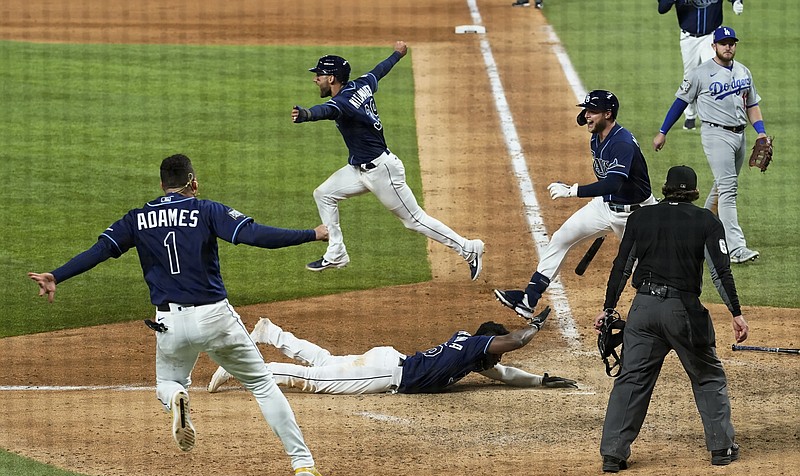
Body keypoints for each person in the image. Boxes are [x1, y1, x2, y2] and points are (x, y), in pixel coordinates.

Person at [28, 154, 329, 476]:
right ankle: (303, 464)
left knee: (167, 383)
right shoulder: (206, 210)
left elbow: (100, 250)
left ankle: (175, 399)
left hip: (168, 322)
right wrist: (311, 234)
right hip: (215, 318)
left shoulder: (137, 218)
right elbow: (255, 236)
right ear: (193, 182)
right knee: (261, 385)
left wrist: (57, 276)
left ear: (161, 184)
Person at [594, 165, 748, 473]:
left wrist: (608, 307)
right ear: (693, 192)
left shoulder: (641, 218)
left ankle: (613, 454)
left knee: (632, 379)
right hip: (683, 311)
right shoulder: (706, 221)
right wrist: (736, 313)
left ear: (665, 189)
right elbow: (721, 272)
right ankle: (721, 448)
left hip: (644, 309)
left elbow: (622, 266)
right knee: (707, 375)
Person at [292, 41, 485, 280]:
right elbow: (379, 70)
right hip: (359, 169)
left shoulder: (341, 103)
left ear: (331, 79)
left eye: (319, 75)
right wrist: (397, 54)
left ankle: (468, 249)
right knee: (323, 194)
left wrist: (306, 114)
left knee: (415, 220)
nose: (316, 79)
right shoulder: (361, 85)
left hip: (383, 172)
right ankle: (336, 252)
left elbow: (326, 111)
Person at [494, 90, 656, 320]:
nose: (586, 116)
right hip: (606, 206)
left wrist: (574, 191)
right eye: (586, 110)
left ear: (608, 114)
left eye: (592, 111)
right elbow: (609, 186)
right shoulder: (596, 135)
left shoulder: (622, 142)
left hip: (636, 215)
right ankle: (528, 299)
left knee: (646, 270)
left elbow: (613, 183)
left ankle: (659, 314)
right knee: (562, 237)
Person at [207, 307, 579, 395]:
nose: (496, 361)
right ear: (488, 344)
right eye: (495, 354)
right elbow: (512, 343)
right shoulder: (477, 346)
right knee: (317, 380)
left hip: (388, 359)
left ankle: (271, 332)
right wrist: (535, 326)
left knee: (326, 362)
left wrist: (541, 380)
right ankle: (244, 368)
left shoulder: (469, 351)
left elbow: (504, 374)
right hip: (388, 373)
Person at [654, 26, 767, 264]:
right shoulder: (700, 73)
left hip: (740, 136)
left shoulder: (744, 72)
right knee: (728, 190)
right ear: (714, 46)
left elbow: (752, 105)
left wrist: (761, 132)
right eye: (724, 43)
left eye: (732, 43)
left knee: (721, 187)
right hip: (716, 136)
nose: (728, 47)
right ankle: (736, 249)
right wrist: (663, 131)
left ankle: (697, 234)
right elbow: (679, 103)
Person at [657, 0, 744, 130]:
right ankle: (690, 116)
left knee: (716, 73)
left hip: (712, 36)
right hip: (688, 39)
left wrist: (737, 1)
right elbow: (662, 8)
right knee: (690, 77)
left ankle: (720, 117)